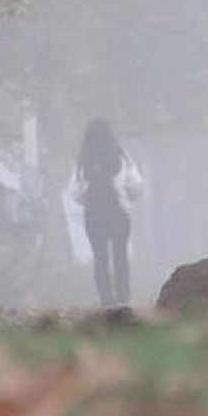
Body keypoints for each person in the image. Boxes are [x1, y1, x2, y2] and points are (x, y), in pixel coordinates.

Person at [67, 117, 143, 307]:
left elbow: (74, 191)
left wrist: (87, 202)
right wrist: (128, 197)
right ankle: (123, 297)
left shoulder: (83, 161)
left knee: (100, 258)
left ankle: (106, 299)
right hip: (119, 213)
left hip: (94, 216)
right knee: (120, 256)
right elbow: (135, 183)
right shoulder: (121, 157)